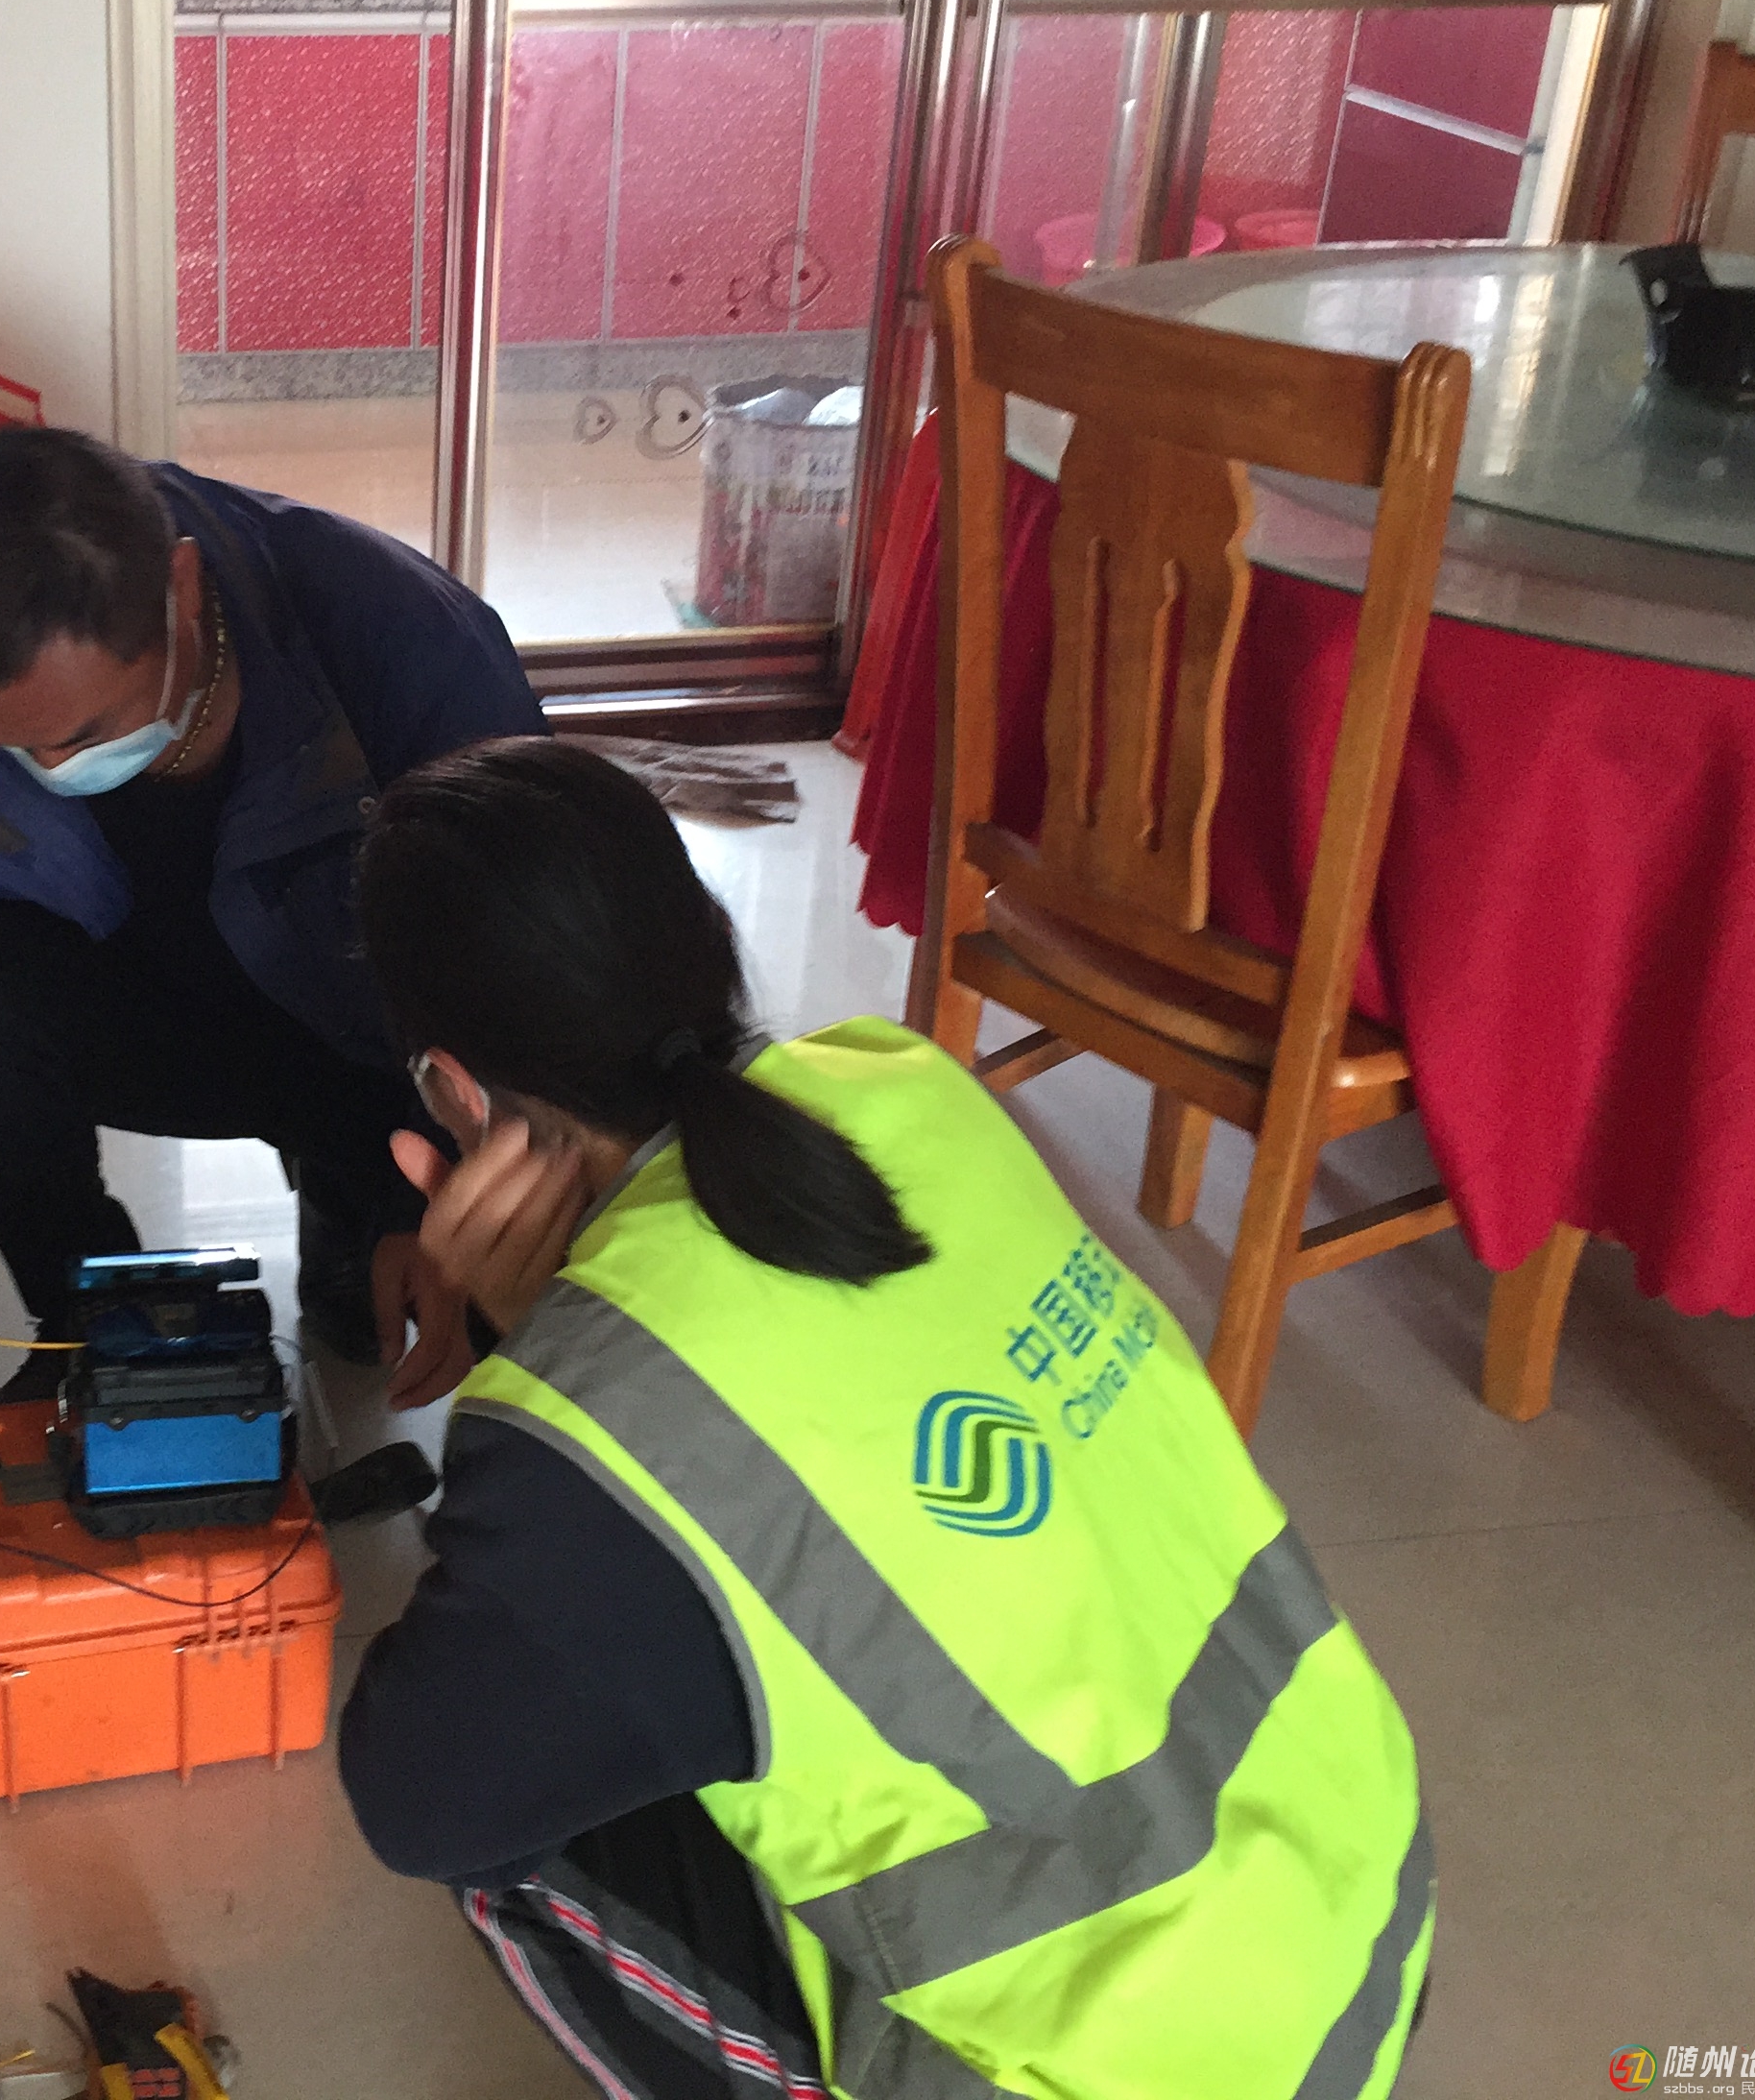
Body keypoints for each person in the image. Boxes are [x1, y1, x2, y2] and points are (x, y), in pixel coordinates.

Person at [340, 739, 1432, 2100]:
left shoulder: (589, 1423)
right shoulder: (896, 1079)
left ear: (454, 1090)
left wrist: (536, 1346)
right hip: (1354, 1904)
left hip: (1123, 2071)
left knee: (510, 1829)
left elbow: (416, 1795)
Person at [0, 425, 545, 1402]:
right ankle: (91, 1319)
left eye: (86, 732)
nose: (54, 769)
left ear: (183, 588)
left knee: (475, 1303)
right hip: (144, 1012)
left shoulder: (394, 634)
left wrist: (435, 1190)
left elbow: (524, 949)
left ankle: (354, 1188)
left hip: (366, 1036)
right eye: (9, 747)